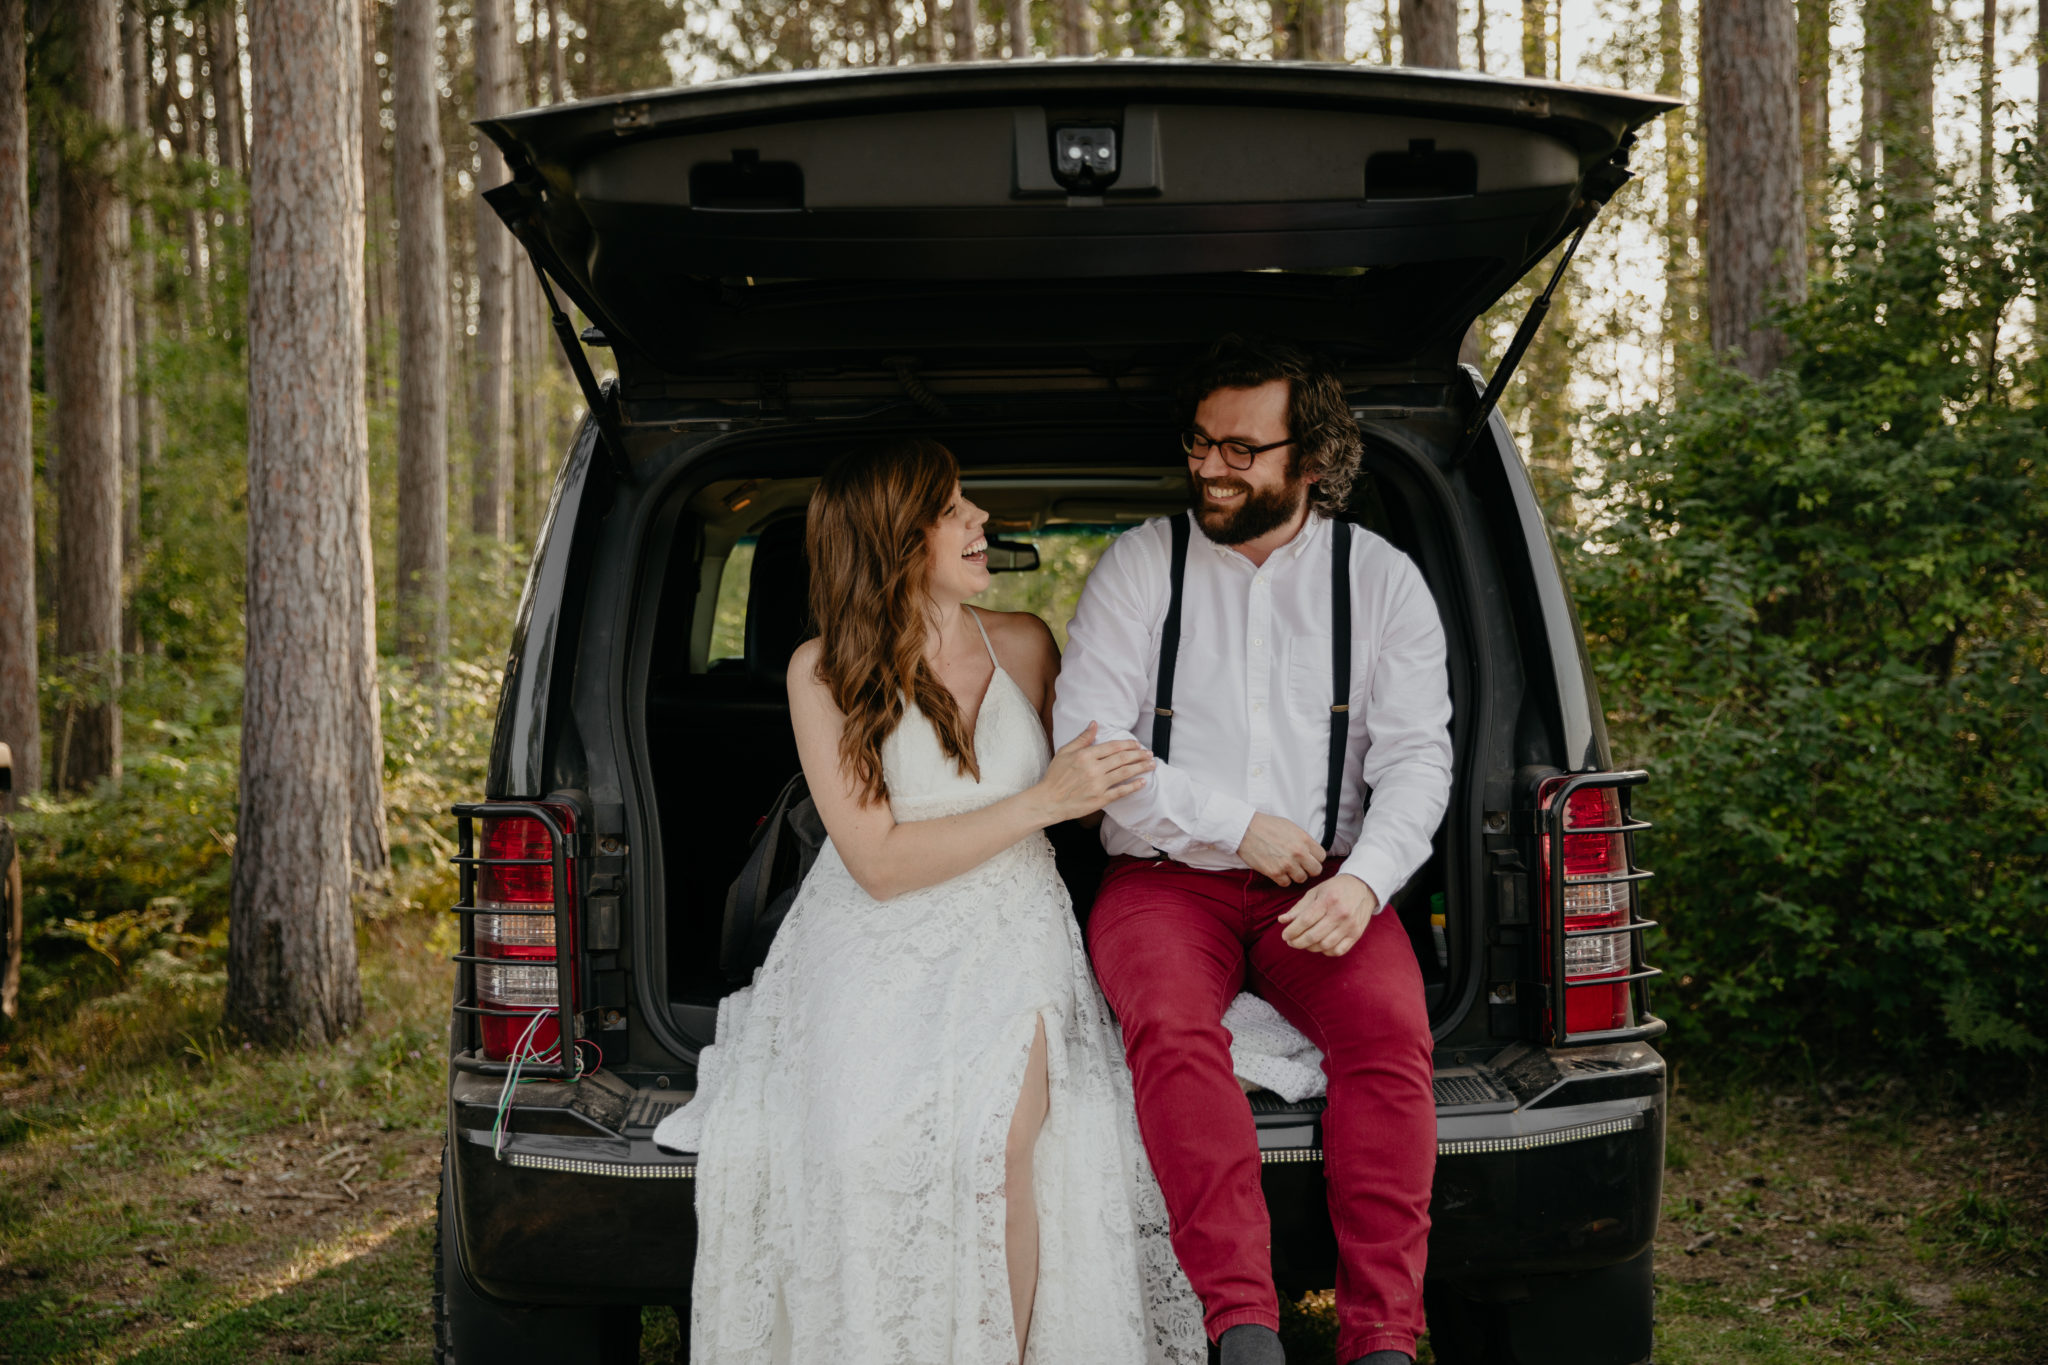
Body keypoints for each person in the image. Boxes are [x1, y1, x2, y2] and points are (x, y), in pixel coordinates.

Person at [656, 438, 1204, 1365]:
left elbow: (1118, 772)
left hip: (1013, 919)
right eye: (954, 509)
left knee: (993, 1144)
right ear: (896, 539)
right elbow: (876, 861)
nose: (980, 519)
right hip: (869, 933)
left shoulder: (1025, 641)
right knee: (858, 1143)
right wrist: (1040, 801)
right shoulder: (819, 672)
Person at [1052, 336, 1454, 1365]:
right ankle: (1242, 1328)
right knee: (1173, 1033)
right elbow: (1087, 746)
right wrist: (1234, 826)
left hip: (1327, 887)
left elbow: (1417, 762)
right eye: (1198, 442)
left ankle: (1381, 1341)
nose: (1208, 466)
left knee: (1389, 1039)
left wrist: (1363, 882)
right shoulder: (1143, 563)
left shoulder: (1382, 584)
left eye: (1239, 448)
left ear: (1308, 464)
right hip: (1160, 881)